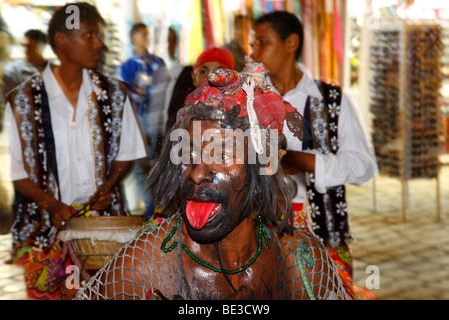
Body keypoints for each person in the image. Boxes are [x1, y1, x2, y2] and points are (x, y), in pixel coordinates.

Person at [74, 61, 377, 300]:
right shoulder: (149, 262)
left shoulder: (299, 260)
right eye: (188, 153)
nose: (196, 171)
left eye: (221, 154)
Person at [4, 2, 147, 300]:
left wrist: (108, 186)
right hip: (44, 235)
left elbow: (126, 154)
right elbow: (18, 174)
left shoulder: (115, 93)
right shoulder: (21, 101)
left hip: (104, 234)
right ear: (61, 41)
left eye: (99, 35)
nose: (100, 43)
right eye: (90, 34)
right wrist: (52, 204)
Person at [251, 11, 378, 278]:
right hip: (256, 234)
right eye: (254, 44)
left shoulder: (330, 99)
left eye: (263, 42)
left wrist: (304, 161)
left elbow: (364, 167)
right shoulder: (247, 99)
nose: (254, 52)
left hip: (322, 232)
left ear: (291, 43)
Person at [120, 22, 169, 218]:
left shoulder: (157, 62)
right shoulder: (127, 66)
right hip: (138, 121)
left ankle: (156, 208)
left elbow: (164, 90)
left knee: (157, 164)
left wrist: (142, 92)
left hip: (158, 122)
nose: (146, 38)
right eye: (142, 34)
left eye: (147, 34)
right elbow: (128, 93)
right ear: (133, 38)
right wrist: (148, 93)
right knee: (140, 165)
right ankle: (152, 208)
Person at [165, 46, 235, 131]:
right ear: (194, 77)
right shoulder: (182, 117)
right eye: (204, 72)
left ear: (231, 79)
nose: (210, 77)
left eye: (218, 72)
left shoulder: (237, 116)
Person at [2, 29, 48, 96]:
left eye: (30, 46)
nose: (25, 50)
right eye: (23, 45)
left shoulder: (54, 69)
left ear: (42, 47)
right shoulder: (13, 71)